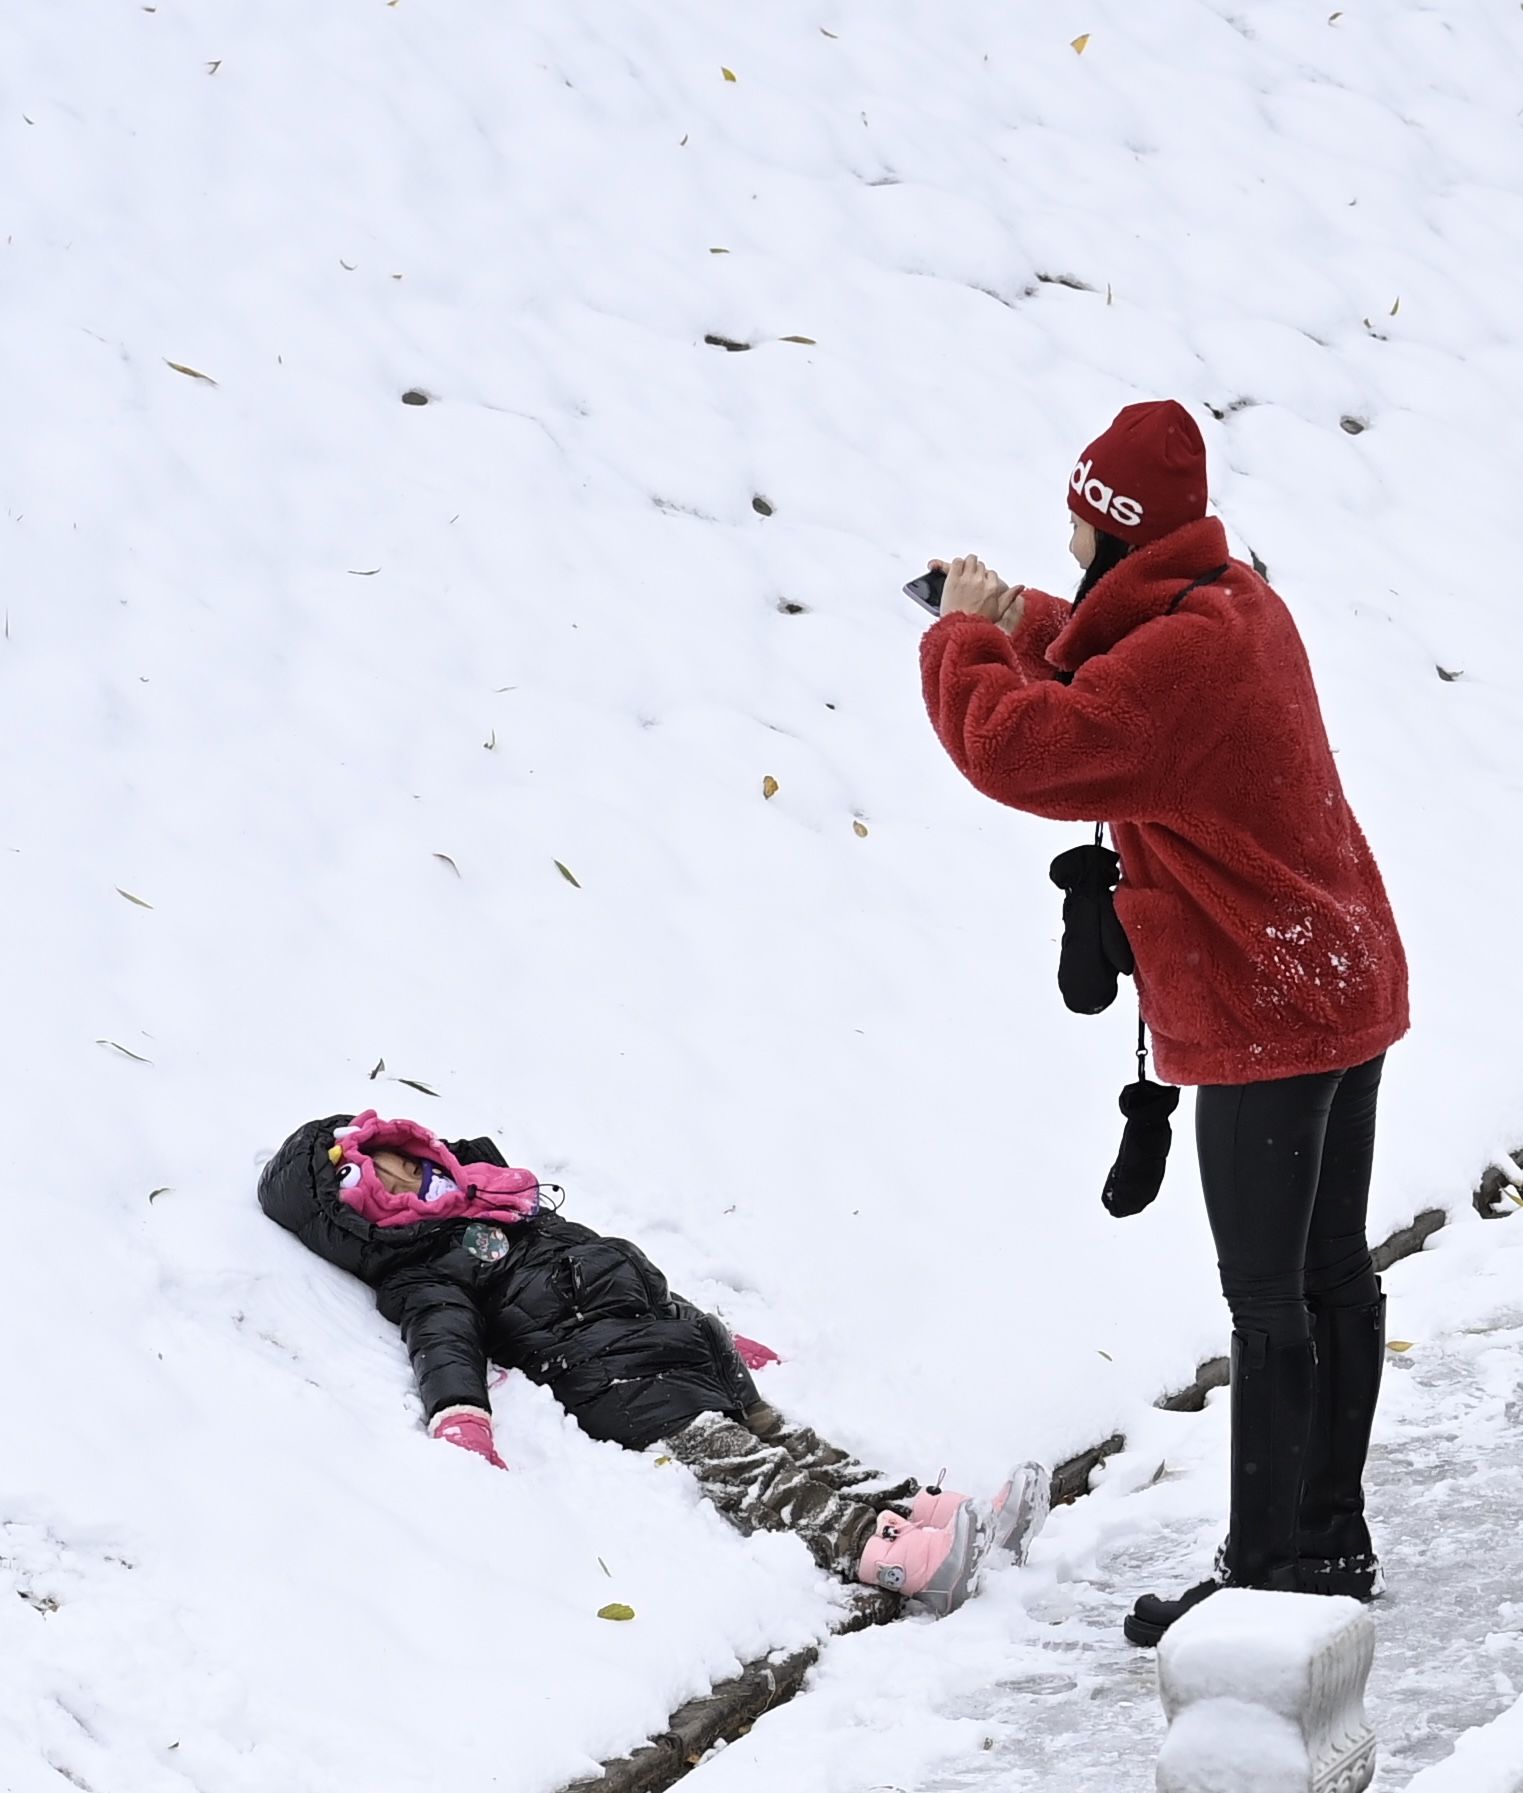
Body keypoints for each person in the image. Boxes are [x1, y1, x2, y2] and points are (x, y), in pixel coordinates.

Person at [918, 399, 1410, 1649]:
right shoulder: (1230, 601)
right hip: (1339, 975)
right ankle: (1327, 1538)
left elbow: (1029, 749)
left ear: (1112, 531)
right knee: (1331, 1271)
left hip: (1270, 1007)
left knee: (1270, 1297)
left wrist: (967, 644)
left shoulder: (1184, 667)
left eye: (1078, 530)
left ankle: (1267, 1574)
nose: (1069, 547)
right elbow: (1112, 659)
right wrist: (1024, 616)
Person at [258, 1112, 1042, 1613]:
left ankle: (924, 1509)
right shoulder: (431, 1266)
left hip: (677, 1344)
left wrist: (724, 1340)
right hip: (613, 1383)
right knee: (747, 1467)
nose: (409, 1178)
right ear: (371, 1221)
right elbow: (442, 1339)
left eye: (402, 1159)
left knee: (785, 1437)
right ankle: (885, 1552)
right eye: (385, 1183)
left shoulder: (506, 1206)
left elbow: (620, 1271)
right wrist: (460, 1412)